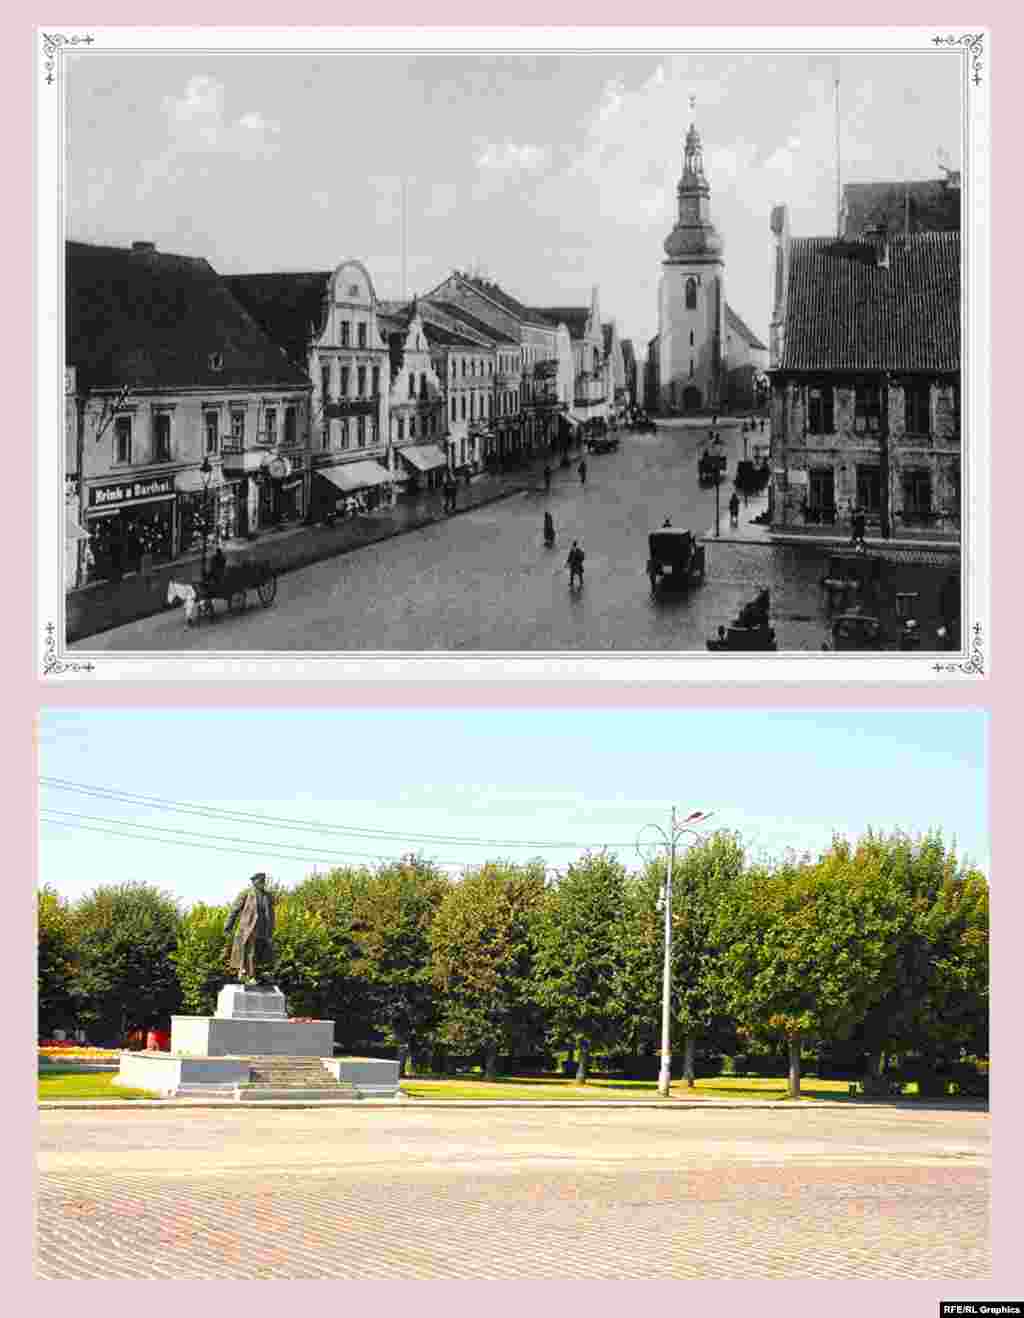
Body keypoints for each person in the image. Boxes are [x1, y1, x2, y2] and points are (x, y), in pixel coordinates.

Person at [224, 873, 276, 983]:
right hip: (248, 928)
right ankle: (249, 975)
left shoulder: (268, 896)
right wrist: (228, 926)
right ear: (254, 881)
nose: (262, 882)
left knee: (263, 953)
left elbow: (271, 915)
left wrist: (271, 931)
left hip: (263, 930)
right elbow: (234, 910)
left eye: (263, 880)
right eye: (260, 880)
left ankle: (259, 975)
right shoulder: (246, 894)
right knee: (250, 952)